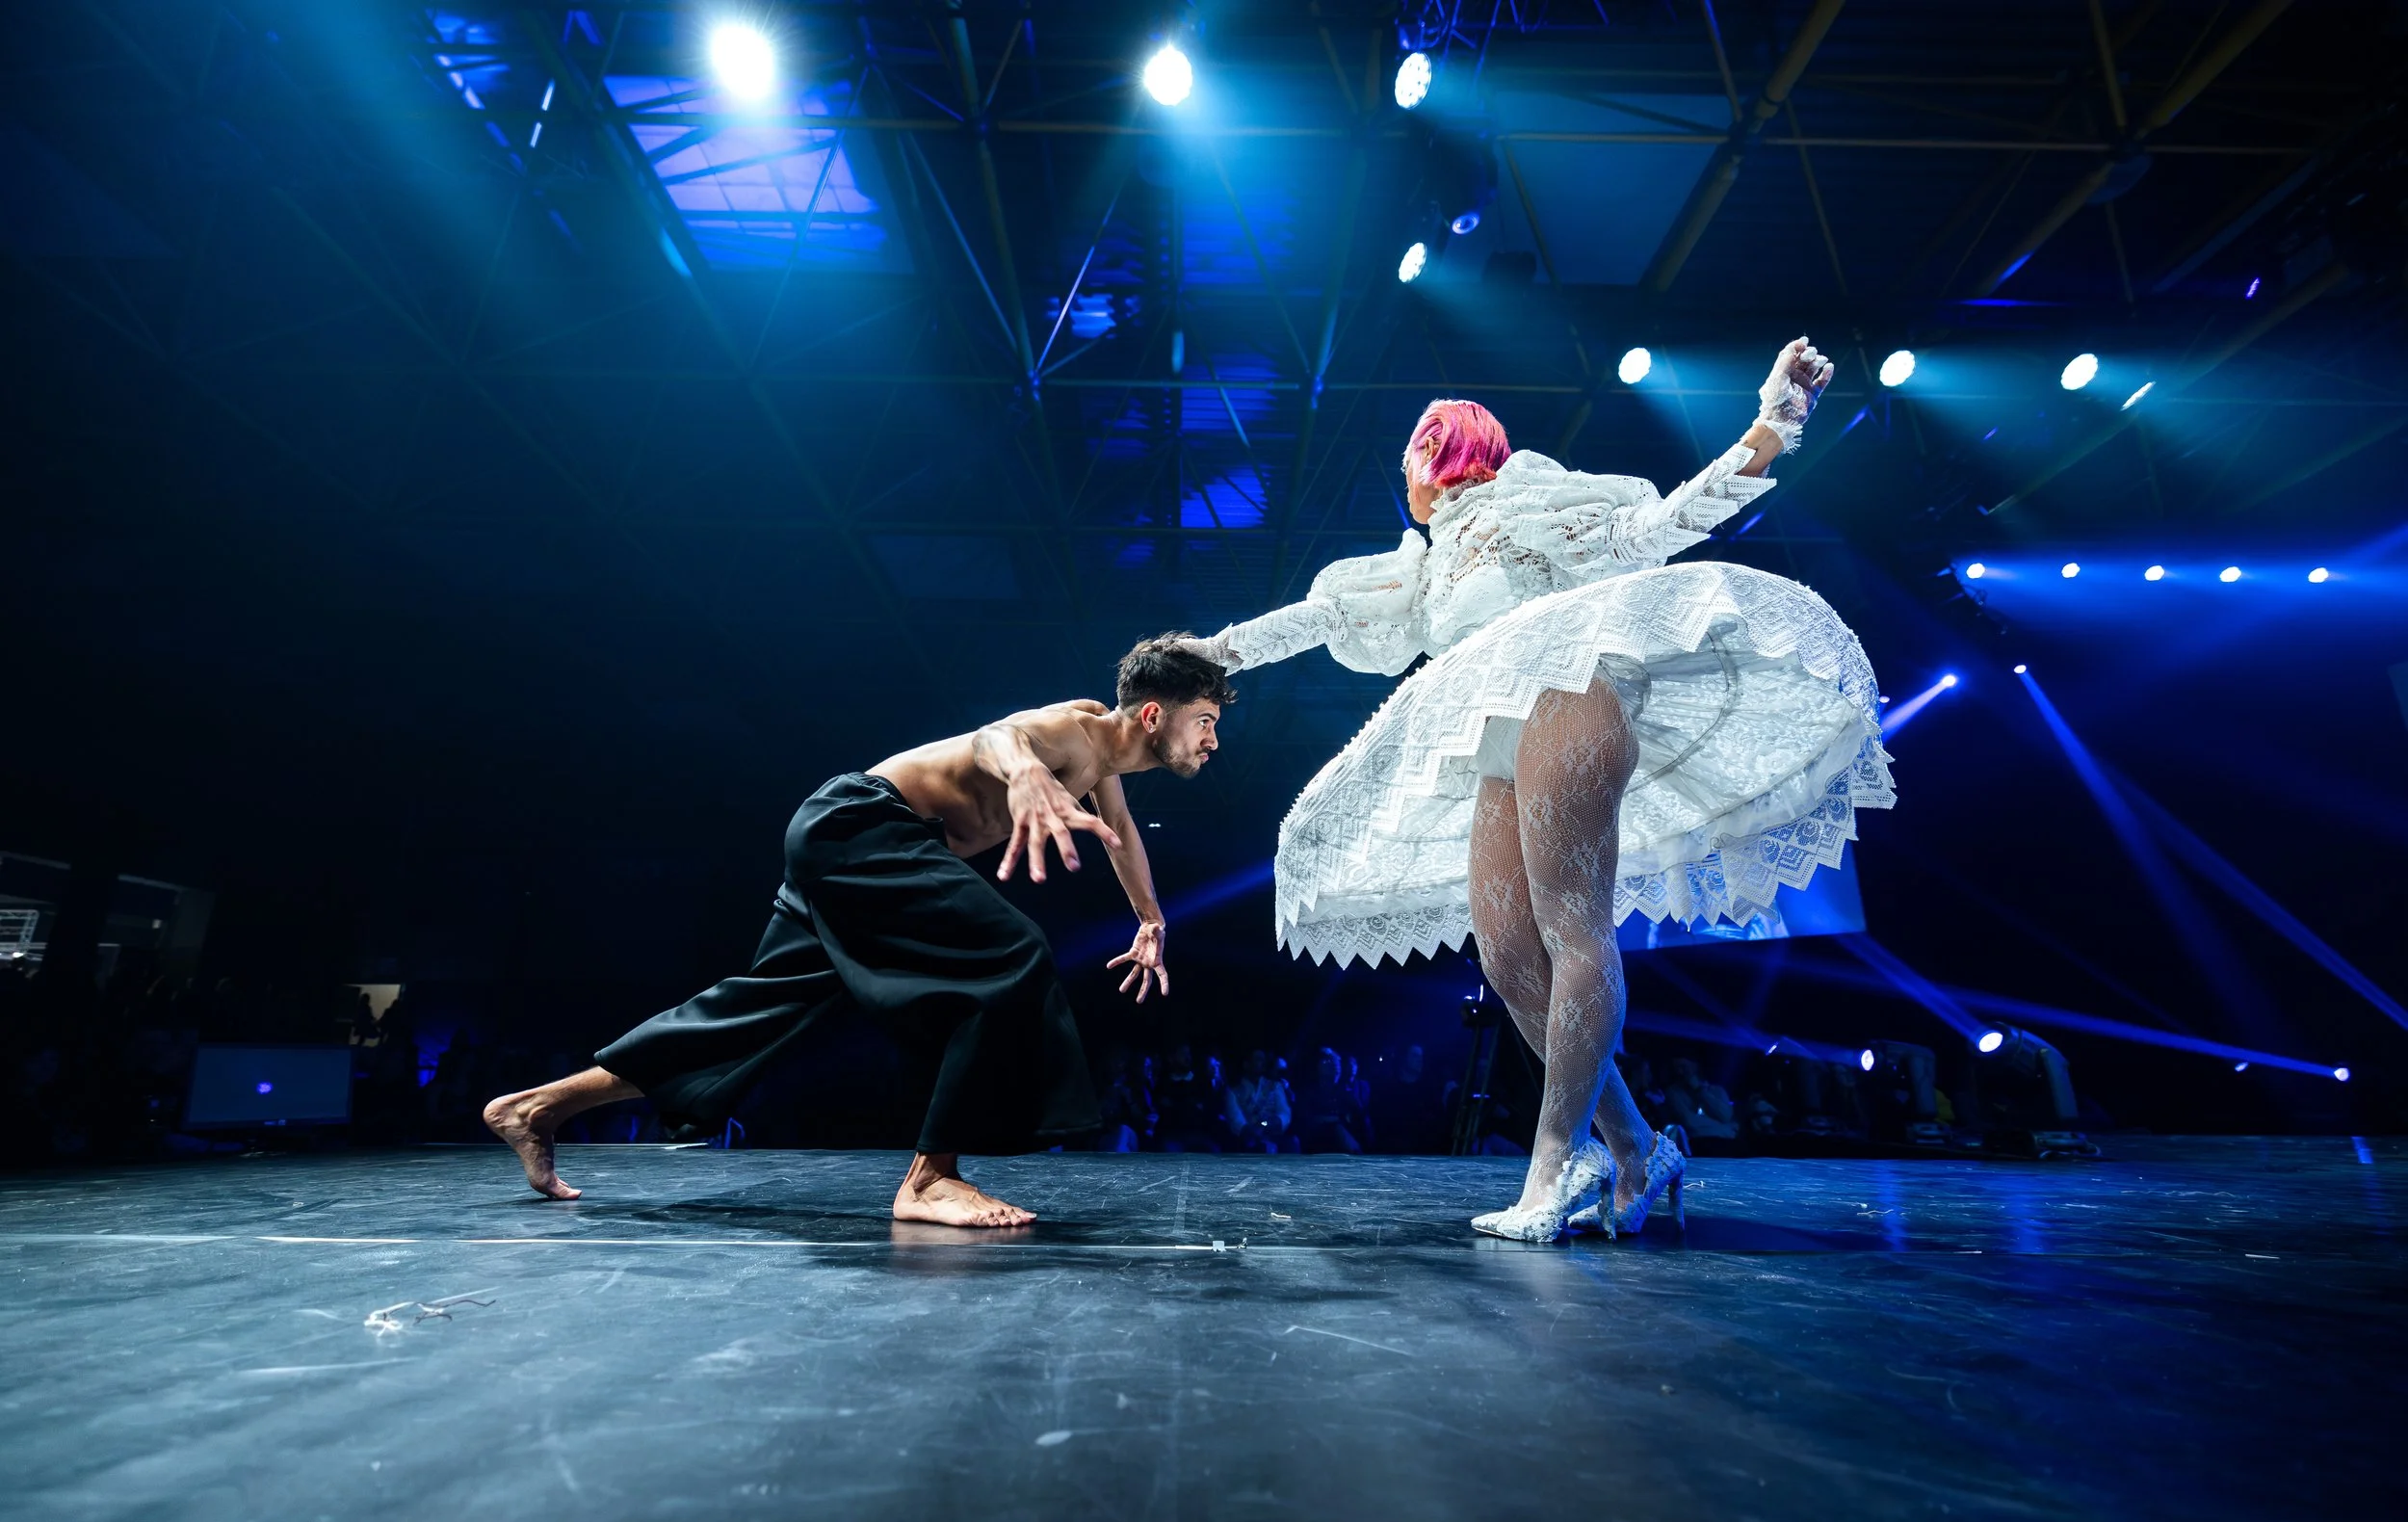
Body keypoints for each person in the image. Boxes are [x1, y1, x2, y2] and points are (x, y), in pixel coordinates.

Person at [1188, 338, 1889, 1241]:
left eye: (1411, 447)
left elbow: (1663, 525)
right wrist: (1213, 652)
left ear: (1441, 450)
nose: (1402, 464)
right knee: (1509, 956)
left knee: (1571, 928)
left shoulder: (1533, 504)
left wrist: (1772, 422)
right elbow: (1321, 617)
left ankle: (1553, 1165)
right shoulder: (1421, 565)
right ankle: (1633, 1145)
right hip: (1494, 738)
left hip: (1566, 698)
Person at [481, 637, 1234, 1227]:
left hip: (852, 844)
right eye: (1205, 721)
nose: (1212, 741)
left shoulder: (1106, 768)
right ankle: (932, 1176)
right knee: (1010, 954)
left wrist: (1151, 919)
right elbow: (996, 738)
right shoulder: (1071, 727)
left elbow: (1122, 836)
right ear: (1152, 714)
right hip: (865, 827)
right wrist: (1023, 775)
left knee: (759, 1010)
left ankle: (537, 1108)